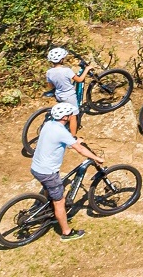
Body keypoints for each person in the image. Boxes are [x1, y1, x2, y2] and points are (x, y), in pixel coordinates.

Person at [30, 102, 106, 242]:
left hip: (36, 167)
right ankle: (66, 232)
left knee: (50, 189)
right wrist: (97, 158)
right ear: (65, 117)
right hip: (48, 172)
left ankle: (49, 210)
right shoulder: (61, 131)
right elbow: (80, 149)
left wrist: (74, 140)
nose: (72, 116)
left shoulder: (48, 124)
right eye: (70, 114)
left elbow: (63, 141)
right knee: (60, 201)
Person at [44, 47, 84, 132]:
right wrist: (87, 70)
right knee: (73, 116)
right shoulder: (67, 71)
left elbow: (51, 86)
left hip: (59, 95)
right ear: (62, 60)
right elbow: (80, 80)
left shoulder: (49, 72)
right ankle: (73, 138)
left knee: (64, 111)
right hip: (69, 96)